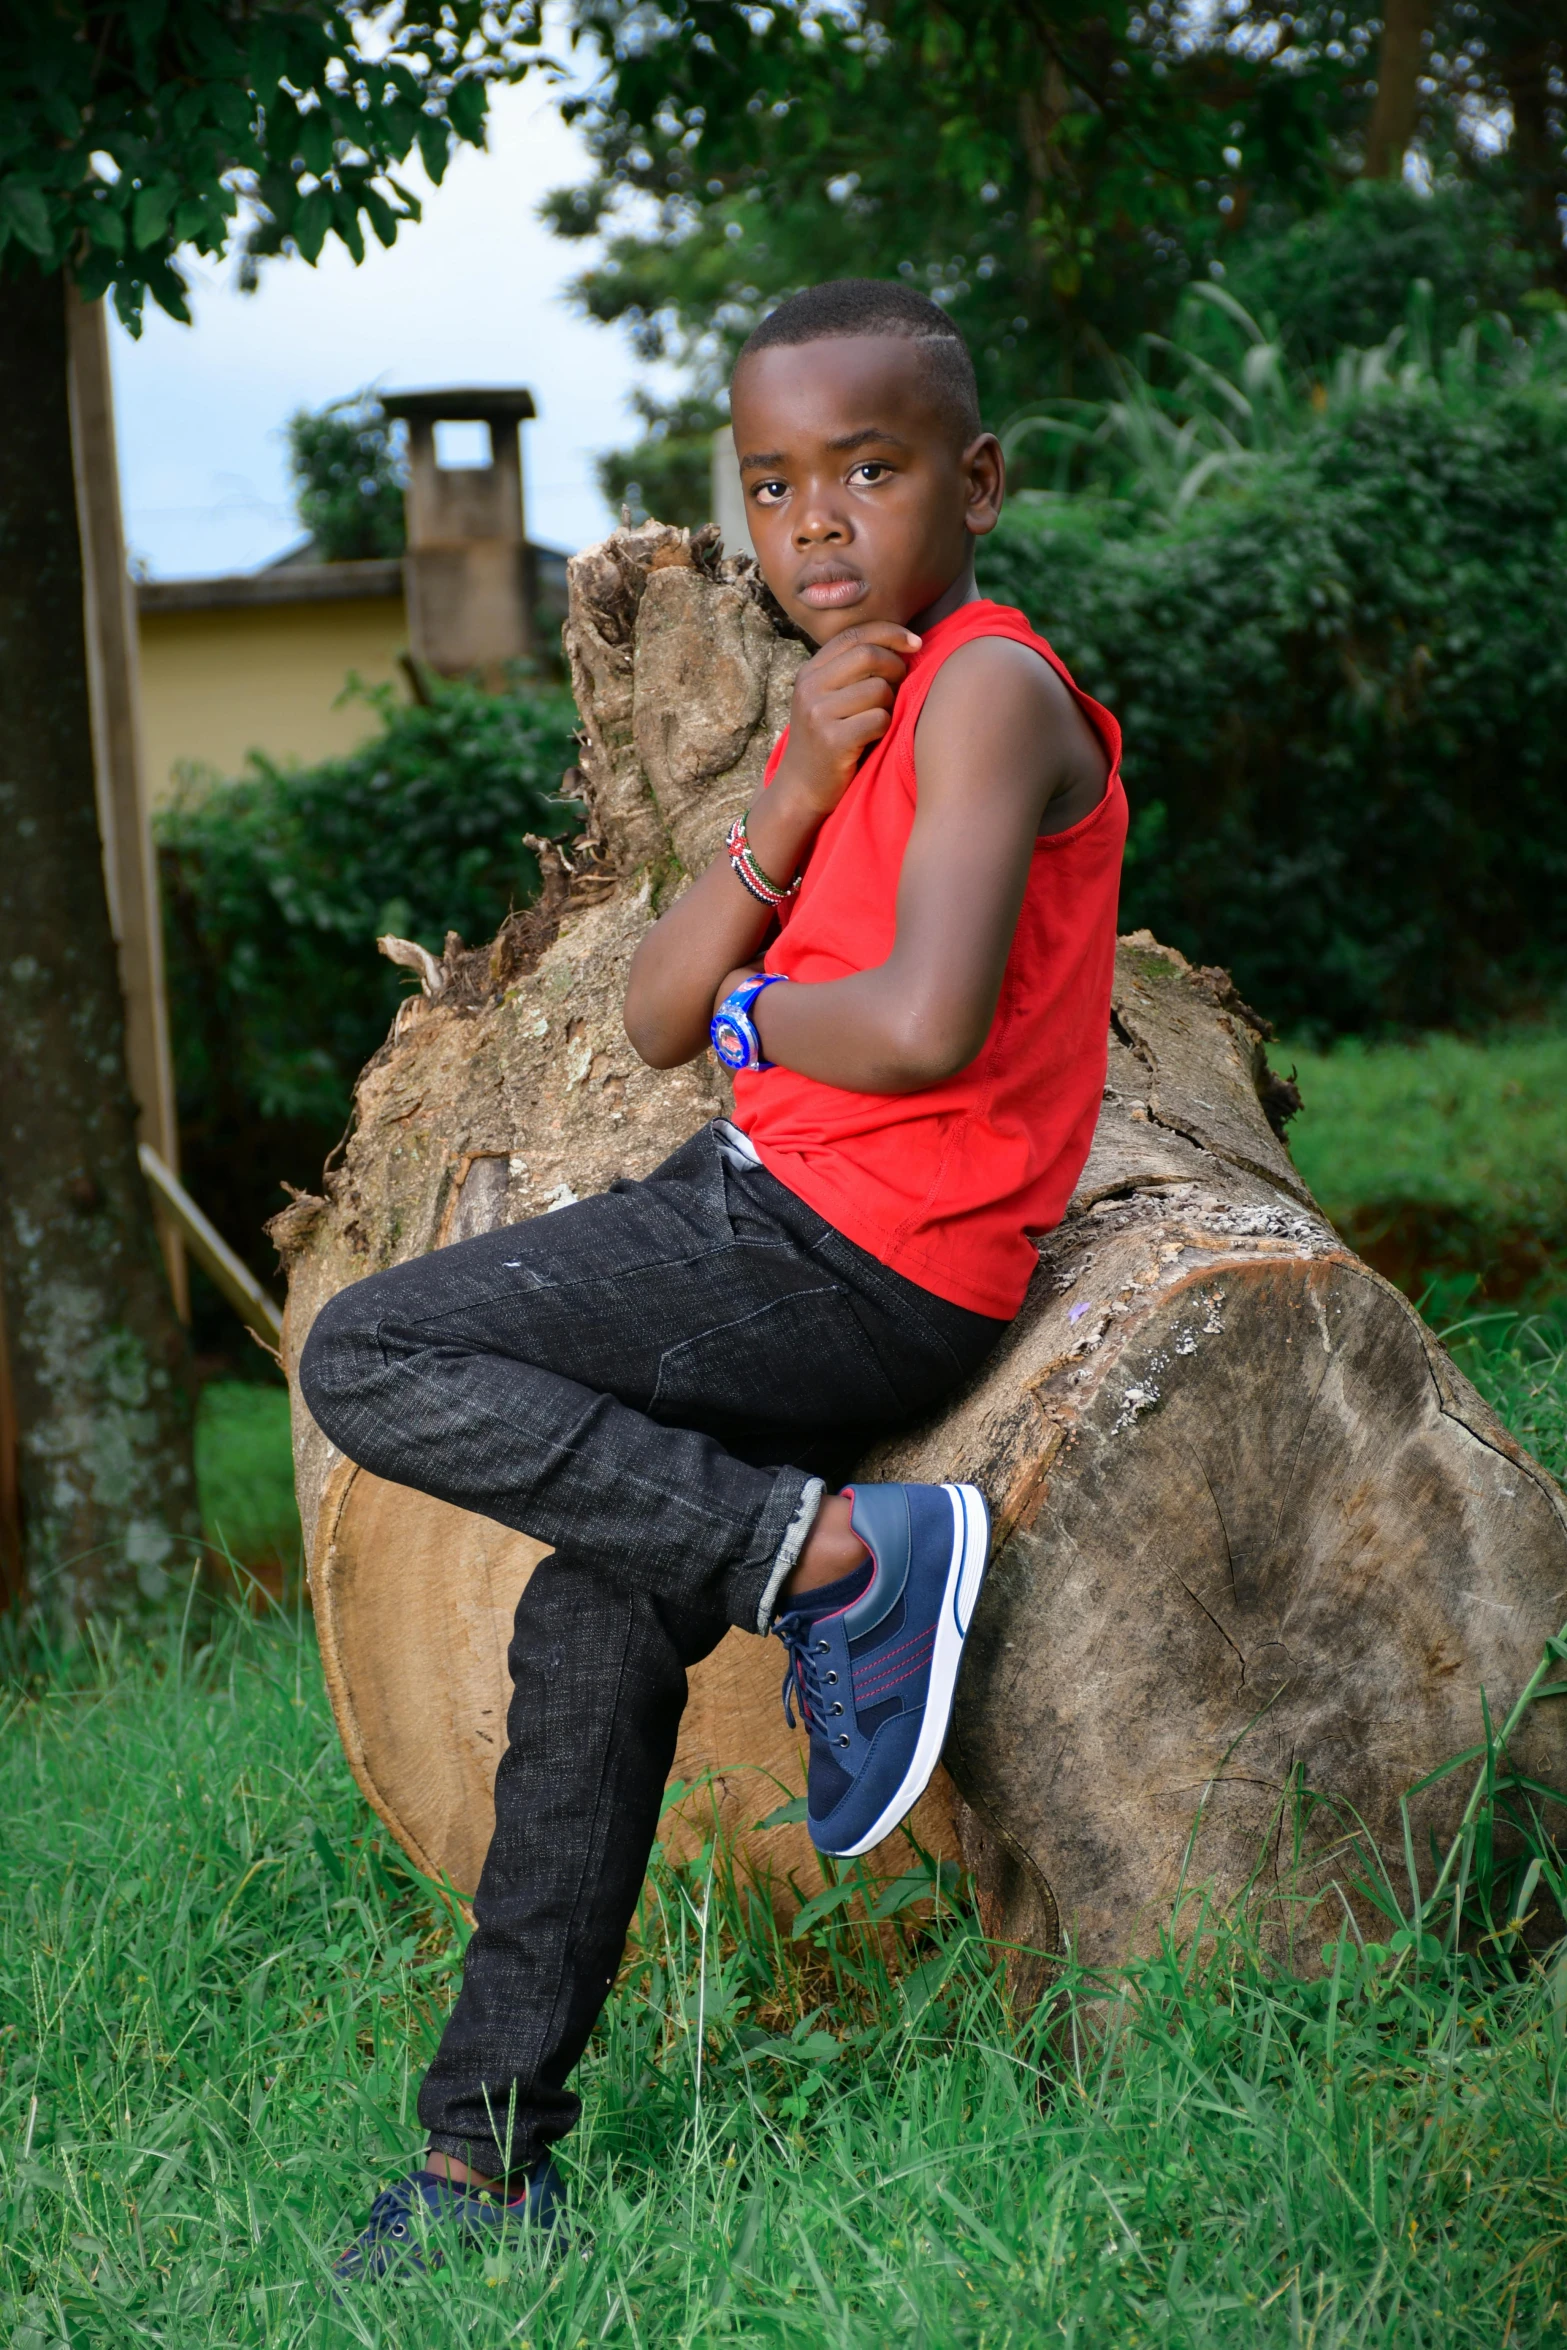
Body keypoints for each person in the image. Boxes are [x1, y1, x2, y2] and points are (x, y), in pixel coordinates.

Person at [307, 276, 1127, 2280]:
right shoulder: (857, 712)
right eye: (773, 484)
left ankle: (836, 1556)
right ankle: (487, 2159)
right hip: (784, 1209)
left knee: (370, 1345)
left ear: (981, 481)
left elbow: (920, 1021)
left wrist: (771, 1022)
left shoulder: (993, 688)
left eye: (871, 466)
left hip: (854, 1243)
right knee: (592, 1624)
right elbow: (665, 1011)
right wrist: (782, 804)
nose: (818, 521)